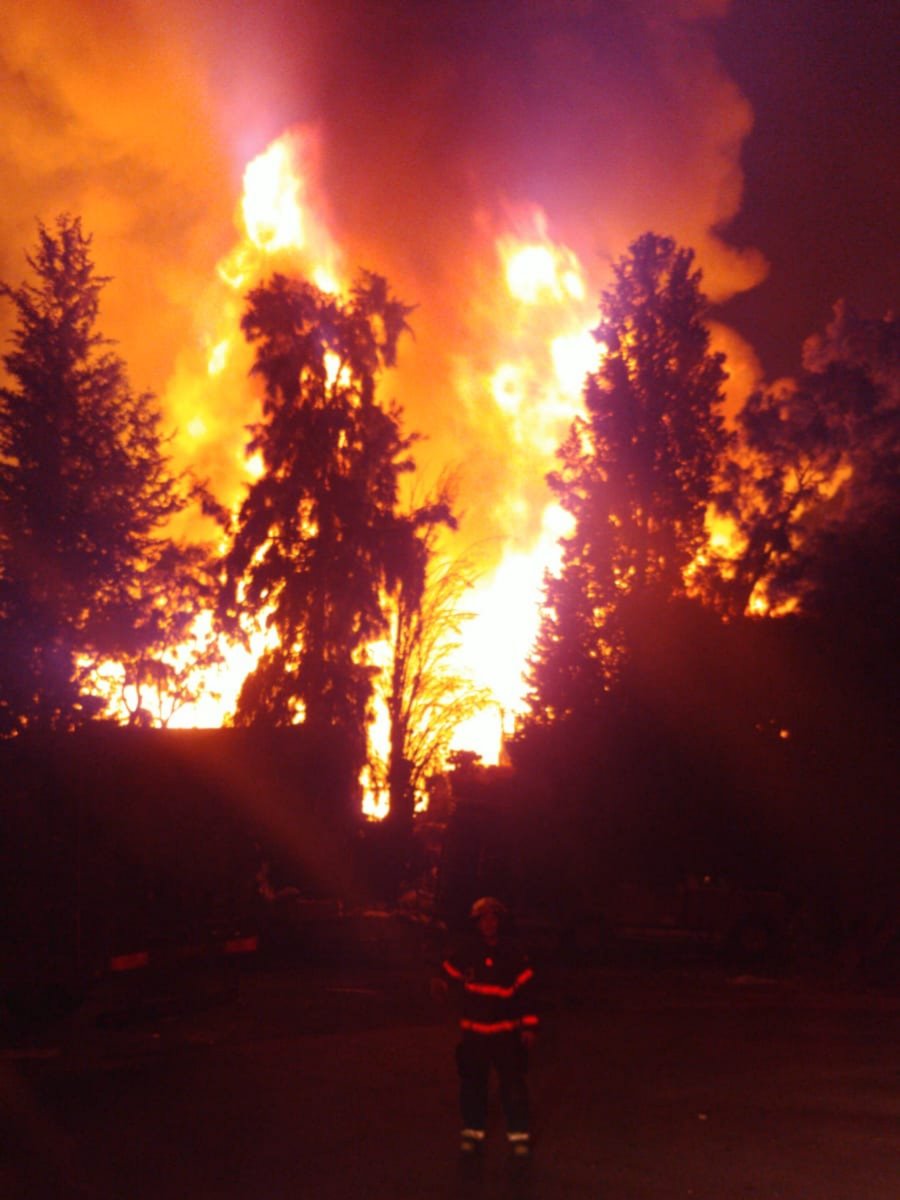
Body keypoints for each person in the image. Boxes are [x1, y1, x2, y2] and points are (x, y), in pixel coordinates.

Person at [432, 896, 538, 1158]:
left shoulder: (514, 953)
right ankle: (472, 1133)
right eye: (484, 919)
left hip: (506, 1035)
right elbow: (447, 973)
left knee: (513, 1088)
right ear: (476, 923)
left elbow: (527, 993)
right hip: (475, 1036)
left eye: (493, 918)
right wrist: (439, 982)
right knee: (473, 1087)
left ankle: (519, 1136)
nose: (489, 923)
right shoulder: (468, 951)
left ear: (500, 922)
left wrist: (529, 1027)